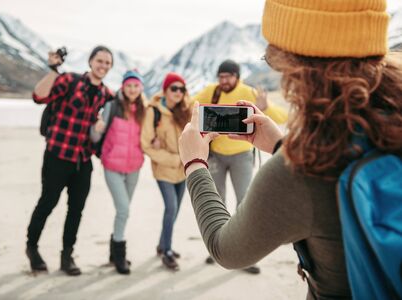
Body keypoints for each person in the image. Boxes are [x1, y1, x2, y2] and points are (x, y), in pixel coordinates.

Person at [179, 0, 402, 298]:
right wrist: (280, 145)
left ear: (296, 66)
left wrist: (194, 162)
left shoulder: (298, 172)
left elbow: (226, 249)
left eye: (277, 62)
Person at [192, 59, 288, 271]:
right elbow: (190, 105)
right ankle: (217, 249)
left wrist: (266, 107)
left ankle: (247, 256)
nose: (224, 80)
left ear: (237, 76)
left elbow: (283, 116)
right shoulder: (211, 91)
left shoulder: (249, 92)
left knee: (244, 203)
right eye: (221, 76)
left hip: (242, 156)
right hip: (216, 155)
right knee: (217, 202)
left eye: (228, 76)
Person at [26, 45, 114, 276]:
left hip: (83, 160)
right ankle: (32, 248)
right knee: (47, 203)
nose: (103, 65)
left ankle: (67, 256)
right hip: (58, 155)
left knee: (76, 210)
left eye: (107, 63)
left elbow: (127, 104)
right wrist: (53, 69)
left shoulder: (106, 94)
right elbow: (39, 96)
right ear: (90, 61)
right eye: (100, 60)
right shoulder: (69, 81)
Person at [90, 70, 147, 275]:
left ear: (141, 88)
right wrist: (96, 128)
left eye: (136, 86)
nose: (132, 89)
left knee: (122, 211)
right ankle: (120, 255)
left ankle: (113, 252)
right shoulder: (111, 106)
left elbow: (147, 137)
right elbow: (95, 138)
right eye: (129, 85)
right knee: (124, 210)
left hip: (134, 168)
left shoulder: (144, 110)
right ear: (123, 87)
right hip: (112, 166)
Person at [141, 72, 191, 271]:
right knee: (170, 208)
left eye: (182, 89)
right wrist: (174, 159)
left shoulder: (185, 110)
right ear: (165, 90)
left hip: (183, 170)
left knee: (175, 210)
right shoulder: (153, 112)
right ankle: (168, 252)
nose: (178, 92)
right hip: (164, 170)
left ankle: (162, 245)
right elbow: (146, 144)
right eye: (174, 88)